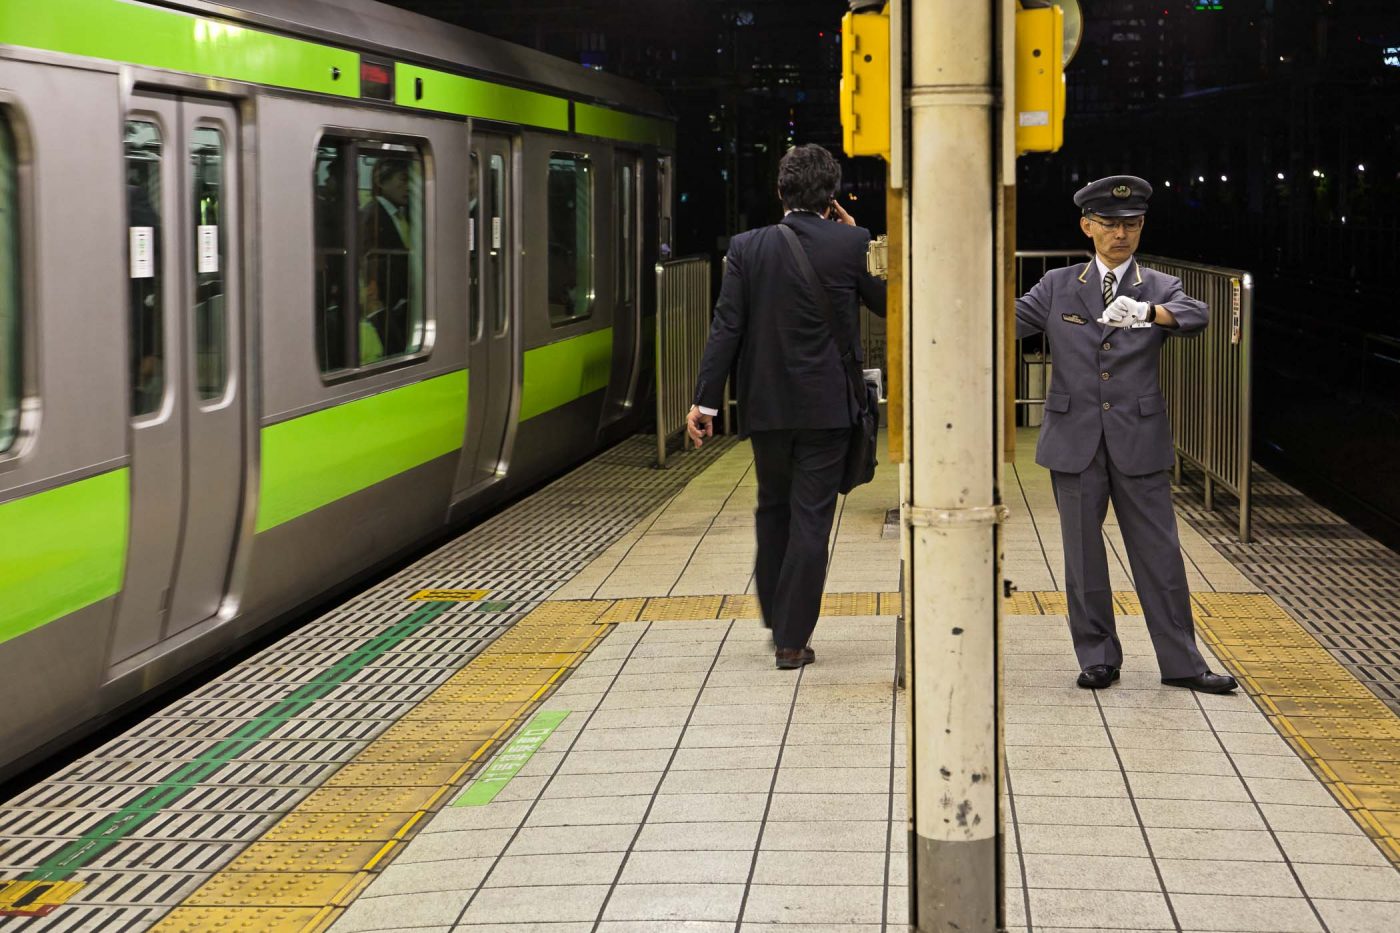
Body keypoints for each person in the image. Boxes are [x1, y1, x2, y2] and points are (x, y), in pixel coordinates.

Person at [1015, 175, 1237, 694]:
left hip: (1138, 437)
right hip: (1075, 439)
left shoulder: (1159, 287)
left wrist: (1149, 313)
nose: (1121, 234)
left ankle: (1182, 662)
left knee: (1159, 553)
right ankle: (1098, 656)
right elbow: (1004, 320)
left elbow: (1196, 315)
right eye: (1111, 224)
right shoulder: (1058, 285)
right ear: (1087, 226)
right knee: (1083, 555)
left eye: (1132, 224)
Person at [686, 144, 887, 670]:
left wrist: (705, 402)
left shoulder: (747, 248)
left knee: (772, 507)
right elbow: (889, 302)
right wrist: (857, 234)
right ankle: (792, 640)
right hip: (827, 411)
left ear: (780, 193)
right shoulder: (852, 242)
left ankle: (778, 615)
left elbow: (726, 327)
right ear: (831, 197)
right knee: (811, 518)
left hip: (767, 407)